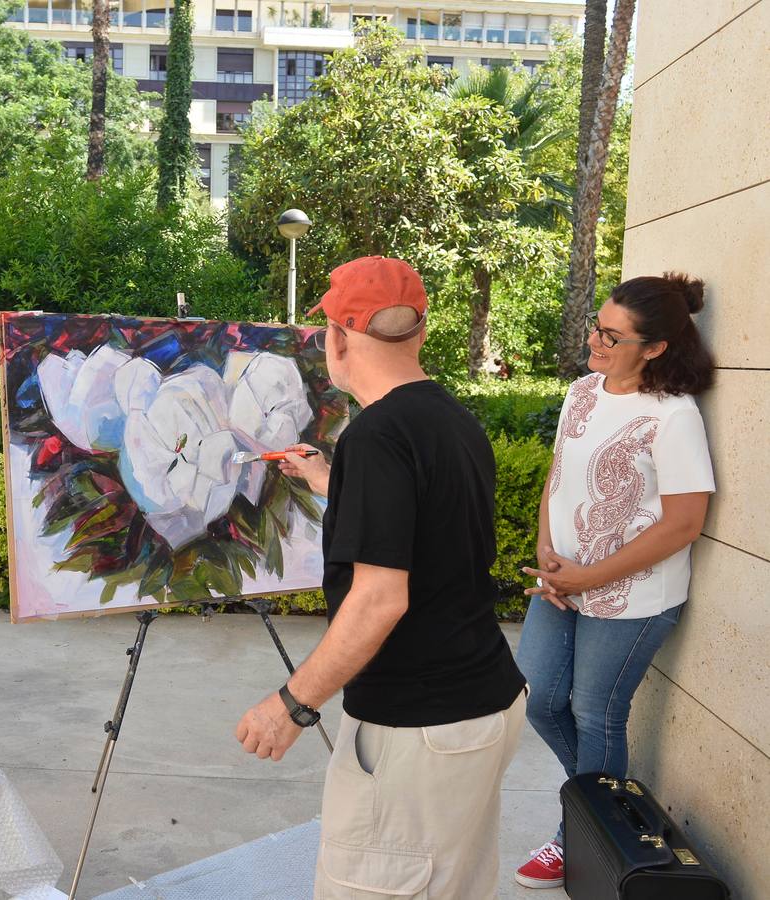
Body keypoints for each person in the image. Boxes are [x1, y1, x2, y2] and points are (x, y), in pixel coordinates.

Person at [234, 255, 527, 899]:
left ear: (338, 338)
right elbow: (425, 522)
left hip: (417, 727)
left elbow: (378, 600)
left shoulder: (377, 435)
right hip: (483, 703)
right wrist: (327, 478)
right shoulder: (448, 419)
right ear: (418, 331)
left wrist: (292, 704)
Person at [513, 273, 715, 890]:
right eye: (595, 326)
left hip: (632, 599)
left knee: (595, 713)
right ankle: (609, 814)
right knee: (540, 696)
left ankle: (578, 840)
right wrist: (548, 550)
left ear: (654, 348)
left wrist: (588, 577)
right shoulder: (582, 392)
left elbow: (684, 523)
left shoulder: (673, 416)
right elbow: (562, 468)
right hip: (563, 585)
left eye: (611, 335)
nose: (594, 341)